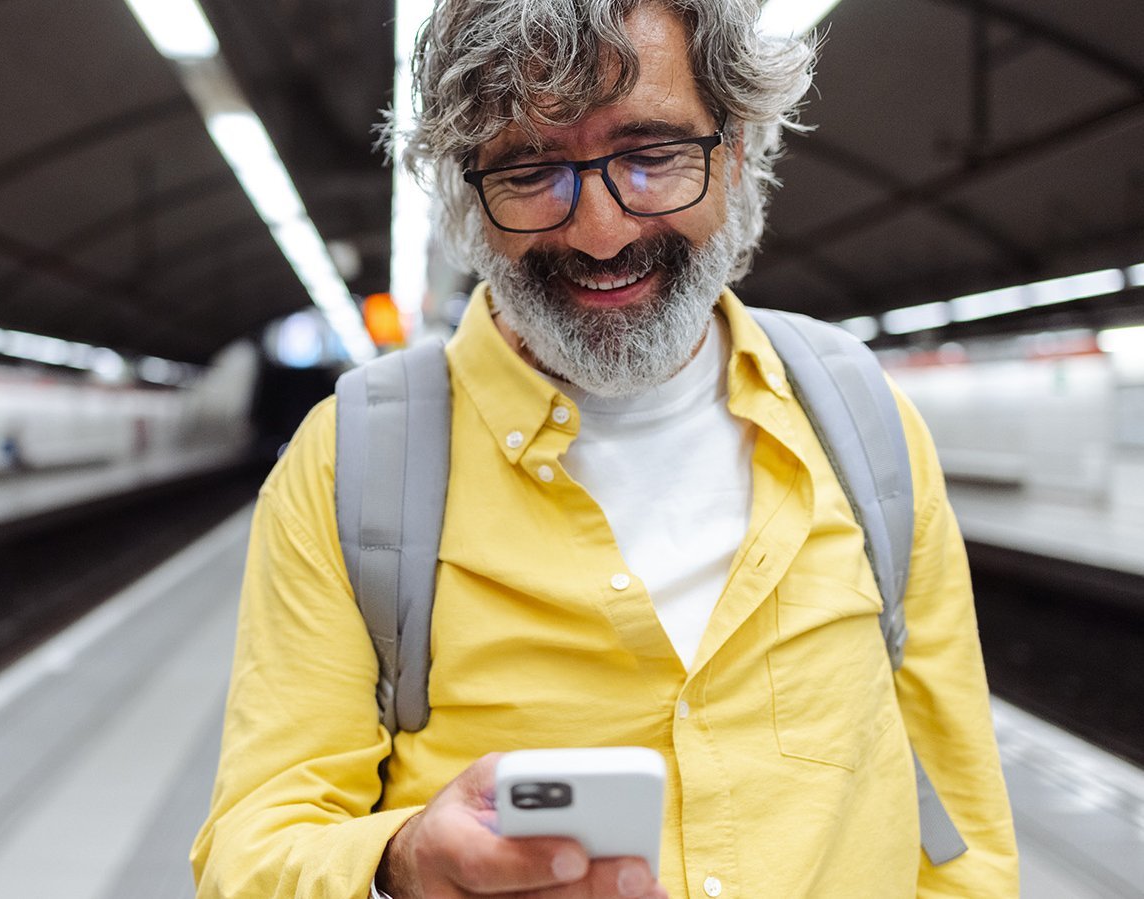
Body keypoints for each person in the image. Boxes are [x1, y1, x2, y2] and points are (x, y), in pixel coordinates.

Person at [191, 0, 1019, 896]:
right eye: (531, 170)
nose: (601, 231)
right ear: (467, 193)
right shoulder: (350, 467)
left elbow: (964, 834)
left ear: (736, 150)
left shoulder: (861, 421)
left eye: (653, 155)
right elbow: (253, 850)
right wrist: (398, 861)